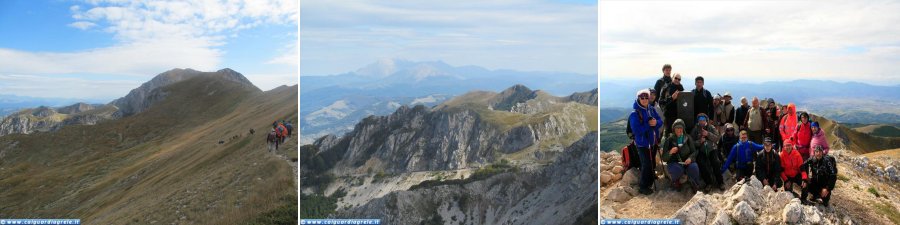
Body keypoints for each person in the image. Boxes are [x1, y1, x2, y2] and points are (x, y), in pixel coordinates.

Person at [629, 89, 663, 195]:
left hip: (652, 142)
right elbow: (636, 130)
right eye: (642, 98)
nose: (644, 100)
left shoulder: (651, 109)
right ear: (638, 99)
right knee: (646, 164)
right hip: (642, 144)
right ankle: (643, 186)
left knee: (651, 162)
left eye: (646, 98)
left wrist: (655, 122)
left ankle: (650, 180)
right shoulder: (635, 114)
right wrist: (649, 124)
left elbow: (660, 121)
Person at [661, 119, 702, 191]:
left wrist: (690, 159)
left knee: (694, 167)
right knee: (676, 169)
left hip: (687, 162)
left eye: (681, 128)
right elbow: (664, 158)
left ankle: (695, 183)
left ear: (683, 129)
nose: (679, 130)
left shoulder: (688, 137)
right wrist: (670, 152)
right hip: (675, 162)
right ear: (674, 129)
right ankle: (676, 181)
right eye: (677, 128)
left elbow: (694, 152)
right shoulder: (669, 139)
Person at [691, 113, 723, 191]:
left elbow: (717, 138)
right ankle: (708, 183)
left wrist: (708, 134)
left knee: (715, 162)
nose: (702, 122)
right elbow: (692, 142)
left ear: (706, 120)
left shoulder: (711, 127)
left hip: (712, 149)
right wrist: (699, 141)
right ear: (698, 121)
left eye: (703, 120)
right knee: (701, 162)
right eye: (700, 120)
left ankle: (720, 182)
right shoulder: (695, 129)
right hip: (701, 150)